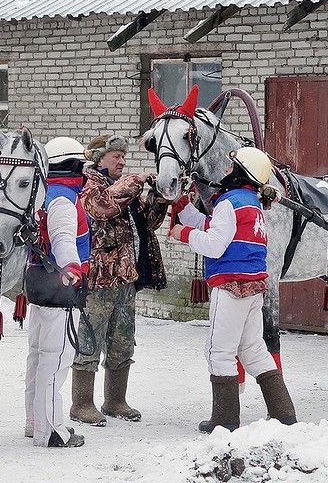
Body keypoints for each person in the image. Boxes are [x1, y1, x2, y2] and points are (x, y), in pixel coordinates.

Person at [168, 146, 297, 432]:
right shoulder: (249, 202)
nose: (226, 171)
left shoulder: (228, 202)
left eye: (231, 167)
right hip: (253, 287)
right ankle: (284, 414)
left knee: (219, 351)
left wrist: (183, 234)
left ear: (240, 172)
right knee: (253, 349)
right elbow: (213, 225)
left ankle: (224, 420)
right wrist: (183, 208)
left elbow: (214, 244)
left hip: (230, 287)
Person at [69, 134, 168, 426]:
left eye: (124, 158)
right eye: (116, 157)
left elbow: (149, 223)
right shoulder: (90, 186)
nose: (122, 162)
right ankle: (81, 404)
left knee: (123, 342)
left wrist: (161, 195)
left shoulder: (124, 190)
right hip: (99, 282)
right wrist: (138, 179)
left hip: (126, 279)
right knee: (90, 341)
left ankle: (115, 400)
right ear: (100, 159)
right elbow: (103, 208)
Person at [24, 136, 91, 448]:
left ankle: (34, 423)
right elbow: (63, 238)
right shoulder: (64, 198)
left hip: (40, 284)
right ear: (73, 165)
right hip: (61, 287)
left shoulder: (44, 194)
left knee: (38, 359)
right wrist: (73, 271)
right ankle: (51, 430)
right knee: (56, 360)